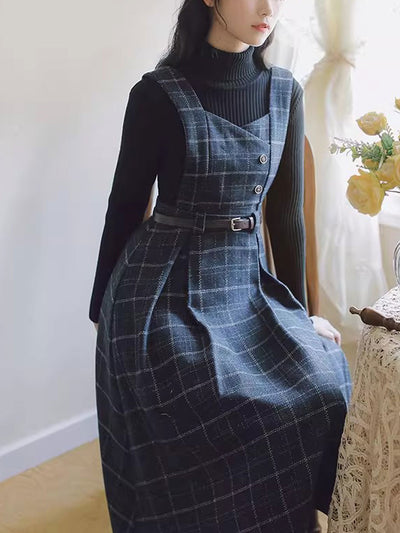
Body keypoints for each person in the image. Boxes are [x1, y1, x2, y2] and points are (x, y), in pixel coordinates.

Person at [89, 0, 353, 531]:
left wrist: (303, 313)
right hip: (162, 287)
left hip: (249, 286)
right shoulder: (156, 94)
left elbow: (286, 216)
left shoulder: (285, 91)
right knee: (210, 398)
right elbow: (126, 205)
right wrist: (102, 312)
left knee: (325, 385)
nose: (269, 8)